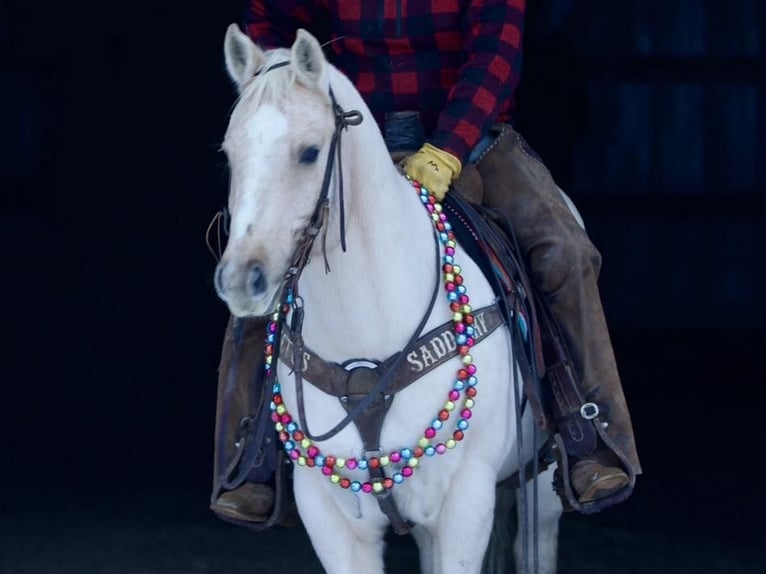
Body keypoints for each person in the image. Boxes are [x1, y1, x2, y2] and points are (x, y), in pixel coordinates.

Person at [210, 0, 641, 524]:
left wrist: (447, 148)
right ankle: (252, 453)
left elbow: (494, 54)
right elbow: (271, 16)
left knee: (564, 250)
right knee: (264, 261)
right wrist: (280, 78)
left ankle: (587, 432)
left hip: (471, 141)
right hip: (346, 142)